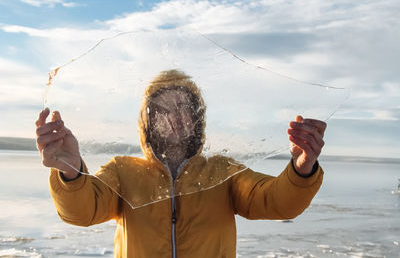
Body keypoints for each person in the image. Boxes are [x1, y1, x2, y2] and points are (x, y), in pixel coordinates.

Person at [35, 70, 326, 258]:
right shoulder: (122, 172)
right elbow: (83, 212)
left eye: (182, 108)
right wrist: (70, 172)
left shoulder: (223, 172)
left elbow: (275, 201)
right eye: (161, 110)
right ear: (146, 120)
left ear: (197, 115)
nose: (173, 118)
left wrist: (302, 168)